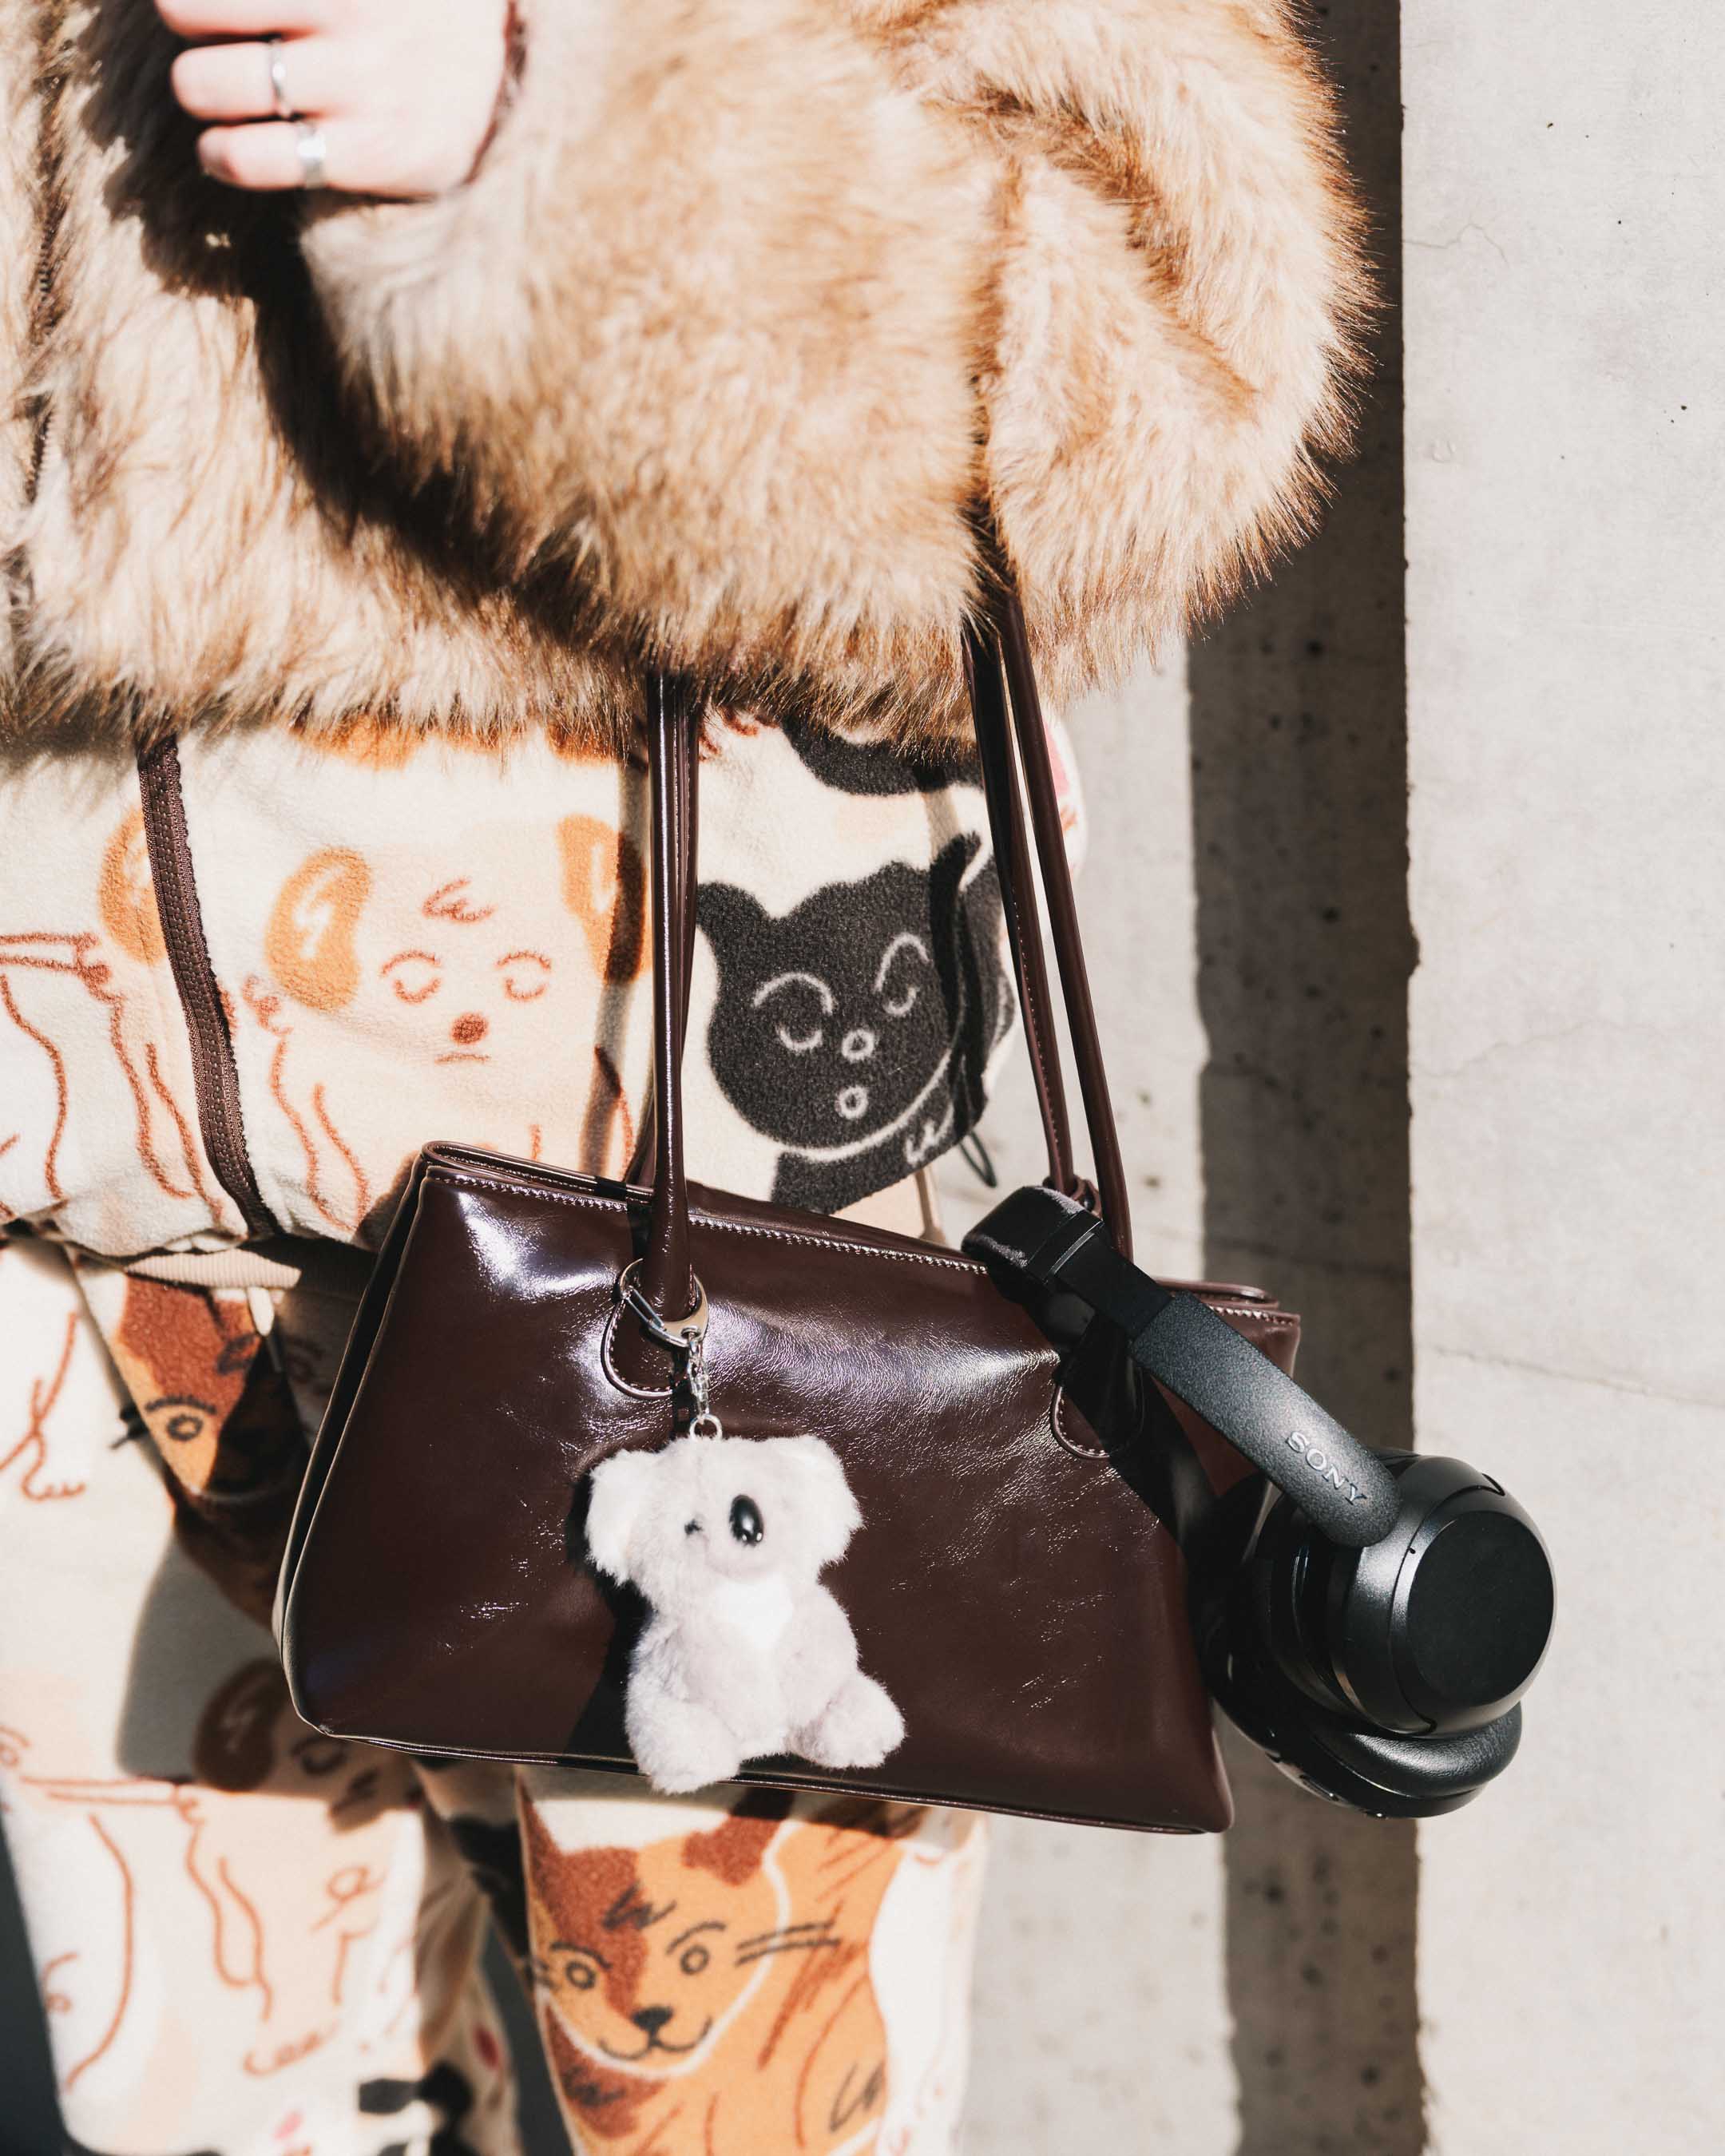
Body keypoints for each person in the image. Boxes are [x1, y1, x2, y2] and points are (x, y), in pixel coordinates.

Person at [0, 1, 1365, 2147]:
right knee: (194, 2096)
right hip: (72, 1185)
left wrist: (556, 148)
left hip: (689, 1259)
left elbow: (1171, 378)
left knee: (751, 2106)